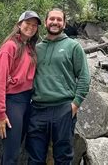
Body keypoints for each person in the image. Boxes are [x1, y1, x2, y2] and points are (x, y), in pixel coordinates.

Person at [26, 8, 91, 164]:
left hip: (63, 109)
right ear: (46, 22)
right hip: (38, 109)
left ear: (64, 23)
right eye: (51, 19)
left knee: (63, 157)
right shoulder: (37, 48)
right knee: (35, 158)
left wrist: (75, 105)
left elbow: (84, 76)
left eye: (59, 19)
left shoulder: (73, 46)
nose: (55, 22)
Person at [0, 10, 41, 165]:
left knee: (15, 148)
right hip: (13, 103)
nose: (31, 27)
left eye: (34, 25)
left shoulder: (29, 47)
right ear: (19, 24)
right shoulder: (10, 47)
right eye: (28, 23)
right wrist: (0, 113)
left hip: (27, 102)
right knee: (11, 154)